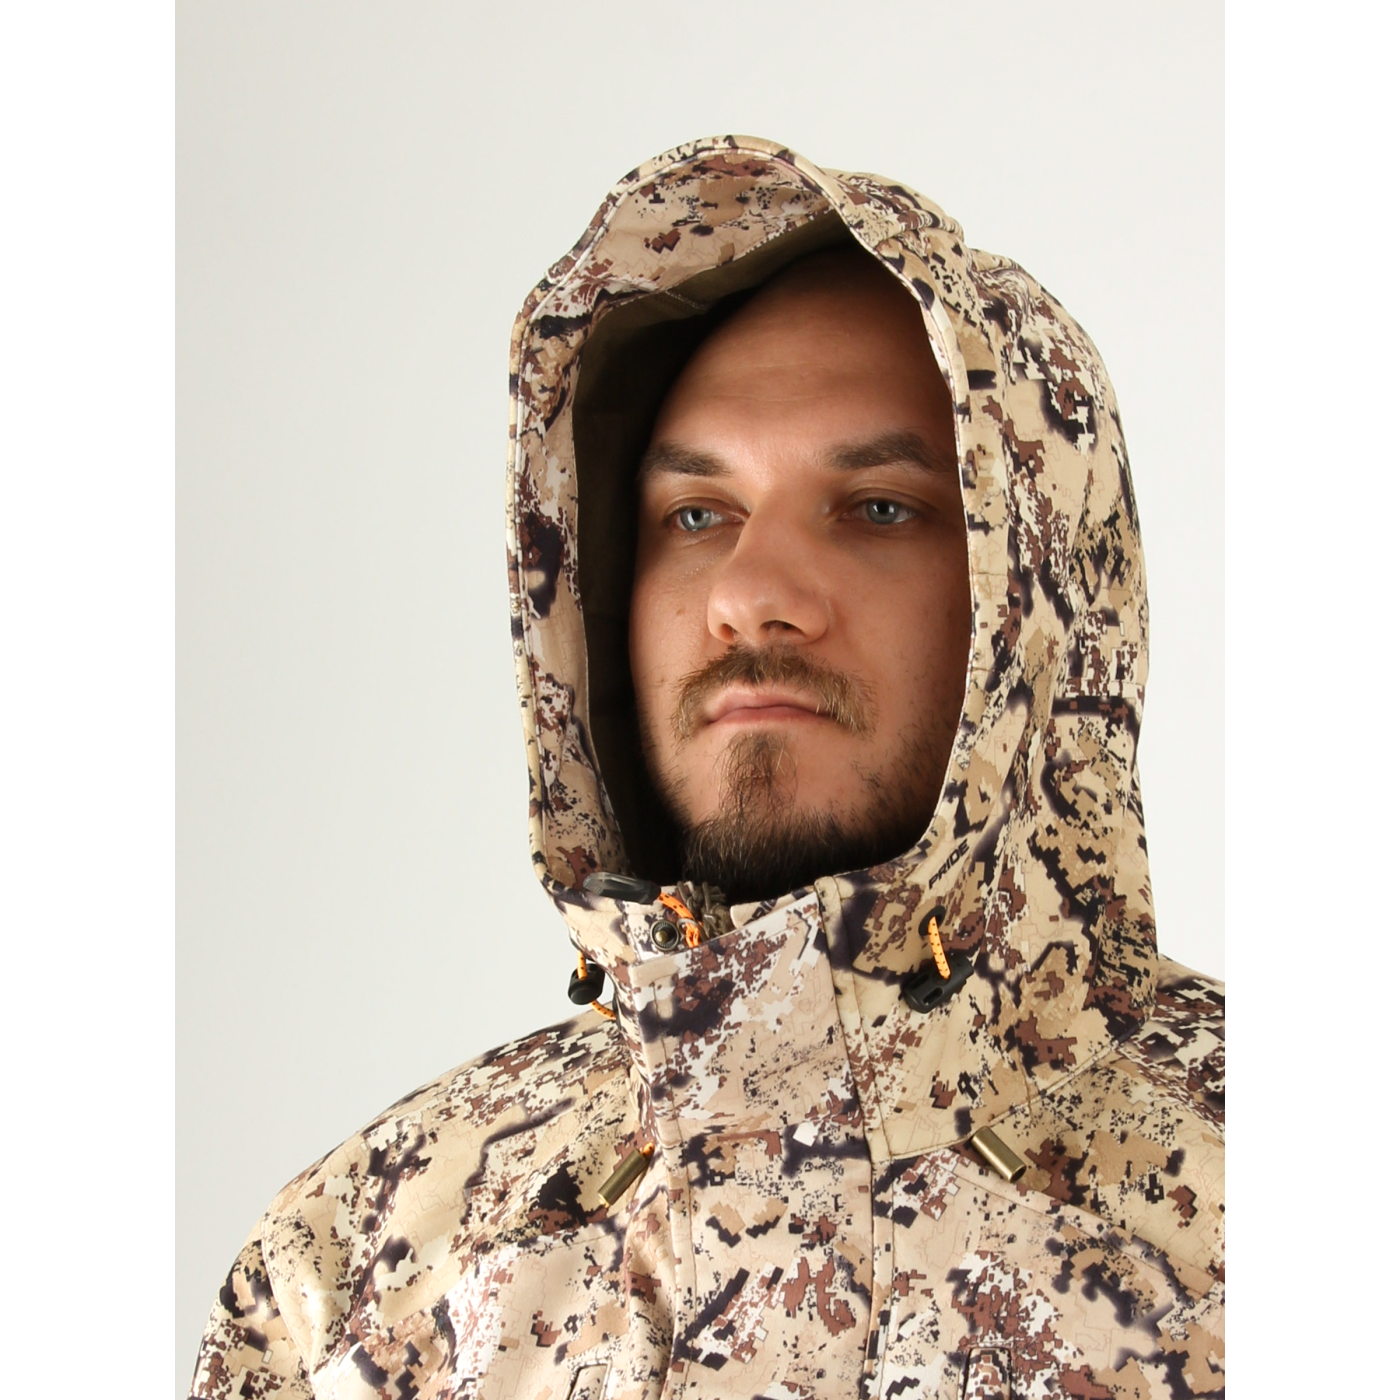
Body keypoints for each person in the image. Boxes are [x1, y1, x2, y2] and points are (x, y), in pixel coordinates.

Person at [190, 135, 1224, 1399]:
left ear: (1039, 595)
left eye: (879, 506)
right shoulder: (363, 1264)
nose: (749, 592)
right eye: (696, 515)